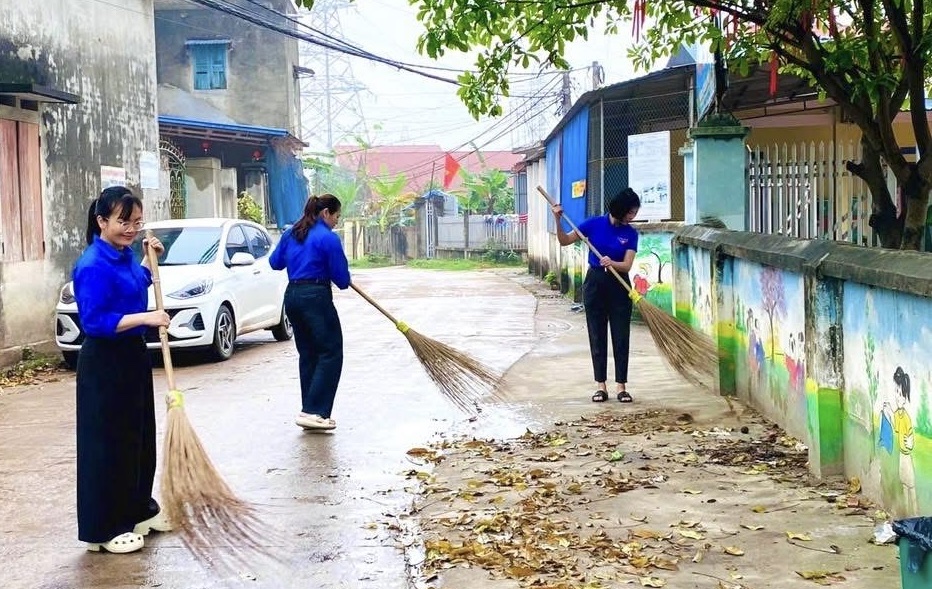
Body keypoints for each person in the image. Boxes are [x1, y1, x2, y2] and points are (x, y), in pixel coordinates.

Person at [73, 186, 173, 553]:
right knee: (107, 444)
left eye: (136, 222)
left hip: (132, 355)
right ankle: (105, 527)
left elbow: (134, 287)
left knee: (139, 437)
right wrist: (149, 317)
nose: (131, 229)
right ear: (102, 221)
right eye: (123, 222)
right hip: (104, 363)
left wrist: (148, 261)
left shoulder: (124, 255)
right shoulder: (92, 264)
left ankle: (138, 511)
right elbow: (96, 321)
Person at [551, 188, 641, 403]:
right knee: (597, 334)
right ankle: (601, 386)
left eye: (634, 213)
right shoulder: (593, 224)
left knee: (621, 336)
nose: (633, 217)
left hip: (619, 286)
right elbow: (565, 241)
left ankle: (621, 386)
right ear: (619, 210)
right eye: (630, 213)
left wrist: (613, 263)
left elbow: (627, 266)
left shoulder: (631, 233)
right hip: (595, 284)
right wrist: (557, 219)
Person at [270, 194, 351, 431]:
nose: (337, 221)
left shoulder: (290, 233)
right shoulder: (328, 239)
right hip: (315, 296)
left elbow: (275, 263)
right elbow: (343, 280)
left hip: (293, 296)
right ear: (325, 213)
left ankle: (310, 411)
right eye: (336, 216)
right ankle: (314, 411)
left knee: (308, 354)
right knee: (330, 352)